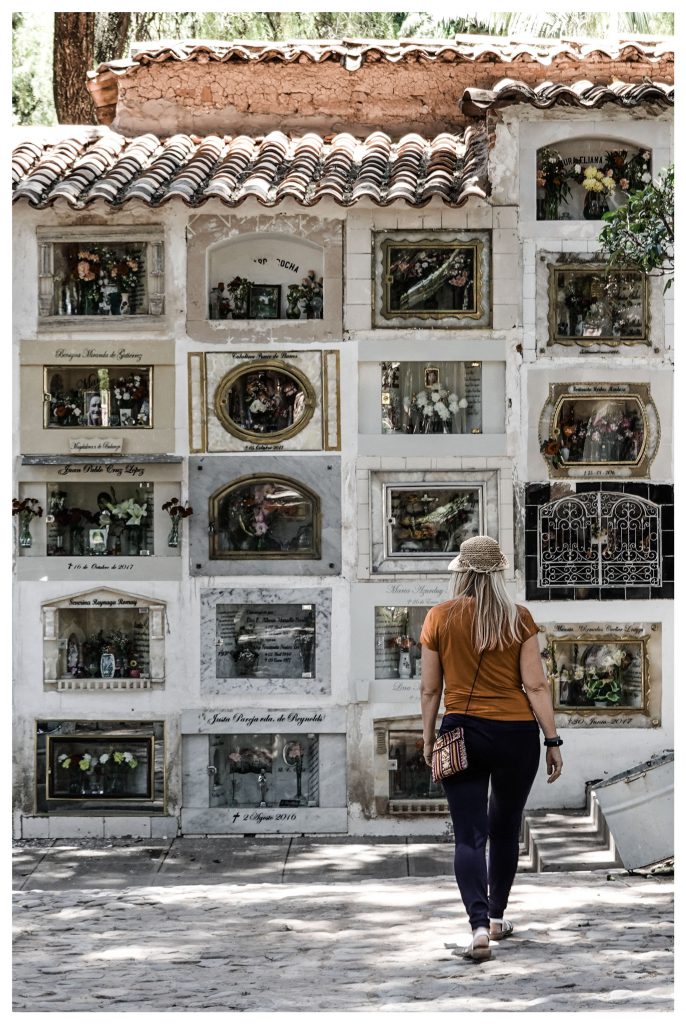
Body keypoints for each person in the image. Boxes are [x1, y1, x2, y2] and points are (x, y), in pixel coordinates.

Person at [420, 535, 563, 962]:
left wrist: (428, 738)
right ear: (498, 573)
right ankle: (498, 917)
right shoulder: (519, 618)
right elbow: (536, 686)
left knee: (469, 836)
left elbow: (430, 690)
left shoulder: (439, 617)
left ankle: (479, 927)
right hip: (517, 735)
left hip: (461, 732)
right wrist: (552, 740)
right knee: (505, 828)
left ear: (461, 572)